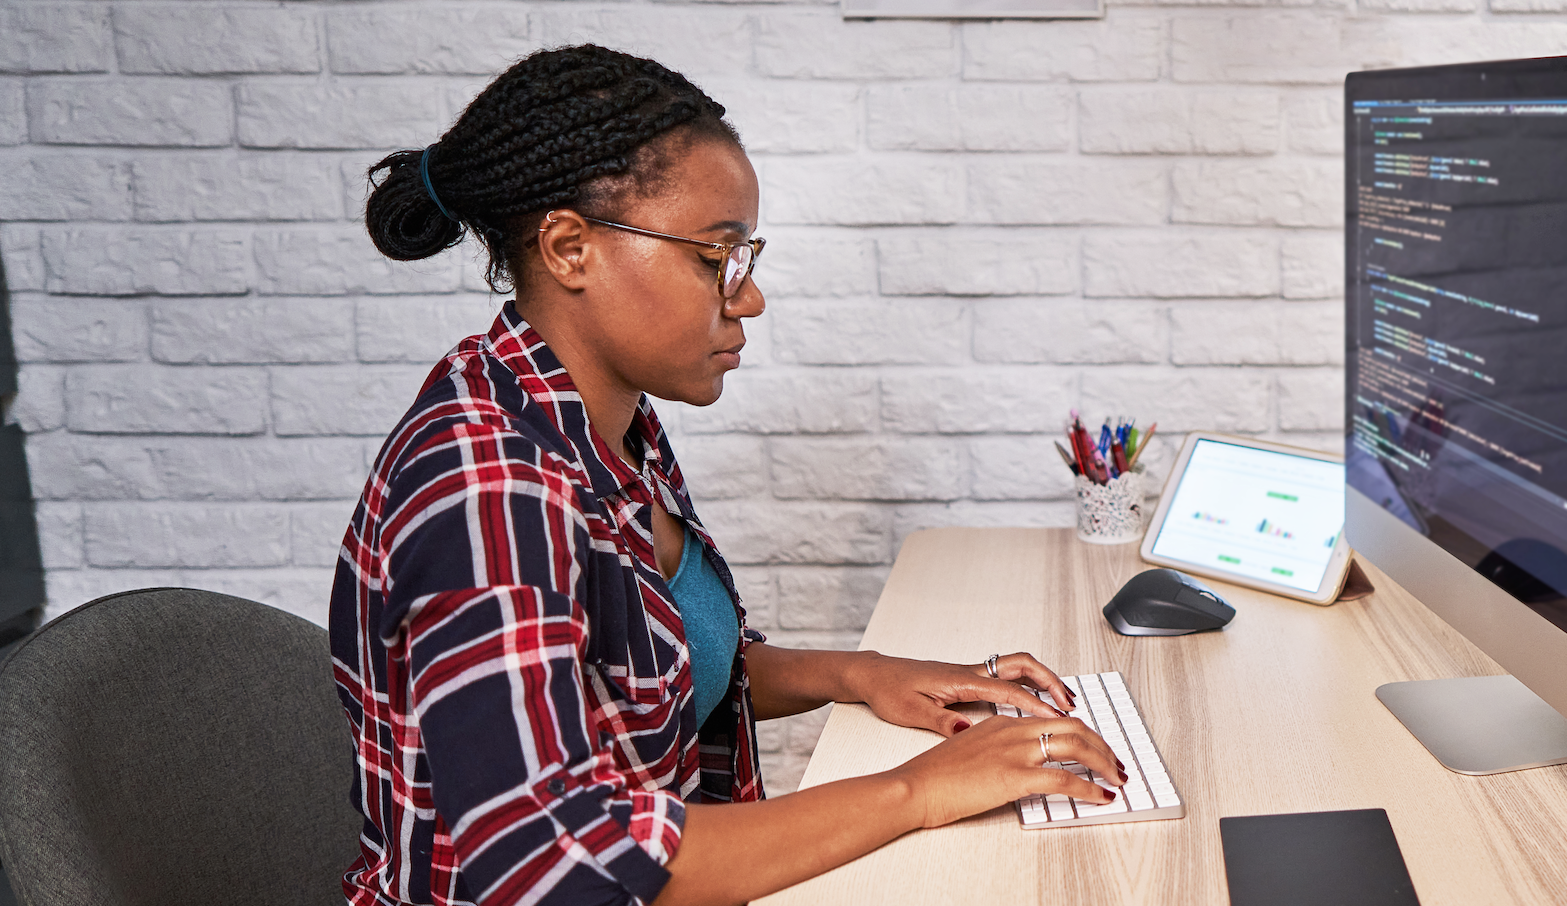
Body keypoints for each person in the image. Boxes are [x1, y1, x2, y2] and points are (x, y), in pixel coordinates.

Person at [332, 45, 1125, 906]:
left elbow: (662, 672)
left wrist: (858, 674)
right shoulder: (485, 483)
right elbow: (549, 860)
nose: (746, 298)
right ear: (569, 248)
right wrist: (922, 789)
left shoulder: (607, 422)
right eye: (716, 258)